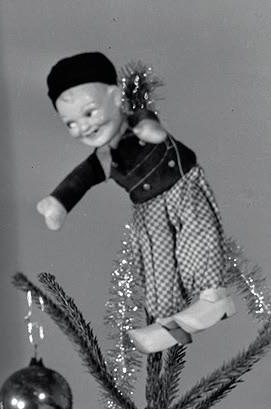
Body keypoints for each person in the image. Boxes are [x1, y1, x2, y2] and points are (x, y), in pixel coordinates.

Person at [37, 51, 234, 354]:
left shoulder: (136, 122)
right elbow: (81, 179)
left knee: (196, 237)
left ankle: (213, 297)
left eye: (89, 113)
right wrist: (58, 203)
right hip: (148, 208)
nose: (83, 127)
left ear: (116, 98)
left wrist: (151, 131)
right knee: (156, 262)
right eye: (70, 123)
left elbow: (151, 125)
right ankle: (166, 319)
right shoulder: (104, 157)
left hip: (182, 187)